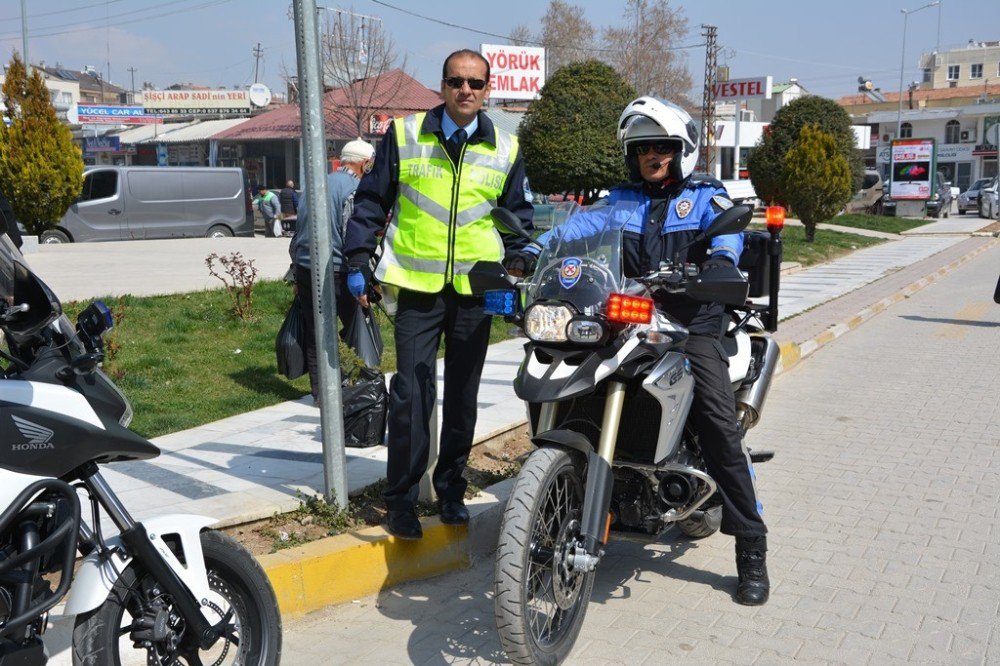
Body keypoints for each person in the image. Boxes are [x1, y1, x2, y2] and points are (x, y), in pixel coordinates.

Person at [535, 97, 770, 605]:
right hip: (629, 313)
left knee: (718, 426)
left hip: (694, 322)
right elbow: (572, 231)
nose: (653, 155)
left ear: (680, 150)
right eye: (643, 148)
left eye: (662, 147)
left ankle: (751, 547)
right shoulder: (620, 200)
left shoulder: (705, 194)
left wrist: (720, 267)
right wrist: (534, 251)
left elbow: (727, 236)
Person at [343, 49, 535, 540]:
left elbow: (517, 218)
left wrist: (521, 253)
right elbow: (371, 200)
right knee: (411, 393)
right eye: (456, 81)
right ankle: (401, 500)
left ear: (487, 89)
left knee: (464, 396)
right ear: (442, 86)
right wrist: (358, 257)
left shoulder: (506, 149)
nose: (465, 91)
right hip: (418, 289)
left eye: (475, 83)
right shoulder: (405, 136)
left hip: (476, 291)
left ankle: (451, 489)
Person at [288, 139, 376, 401]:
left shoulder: (316, 185)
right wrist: (359, 277)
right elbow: (352, 235)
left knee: (317, 332)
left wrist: (294, 269)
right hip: (339, 270)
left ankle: (322, 394)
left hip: (305, 267)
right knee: (357, 326)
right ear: (365, 164)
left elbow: (298, 233)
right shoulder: (353, 189)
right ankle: (363, 385)